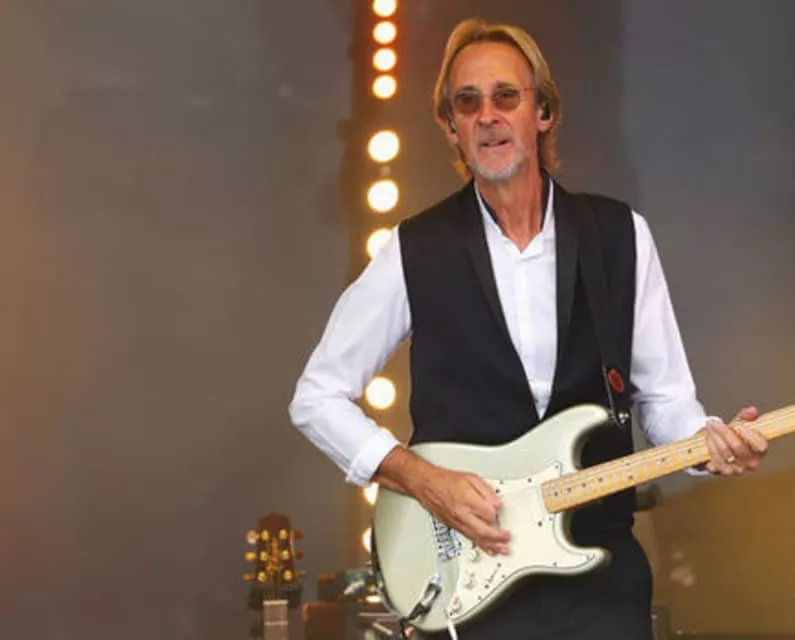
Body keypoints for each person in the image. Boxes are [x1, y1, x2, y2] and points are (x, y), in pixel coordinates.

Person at [289, 18, 769, 640]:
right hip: (470, 579)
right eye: (468, 103)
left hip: (600, 580)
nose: (487, 116)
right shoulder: (415, 249)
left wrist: (711, 446)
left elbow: (666, 402)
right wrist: (423, 481)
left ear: (543, 113)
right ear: (452, 127)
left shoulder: (620, 236)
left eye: (506, 96)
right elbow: (317, 397)